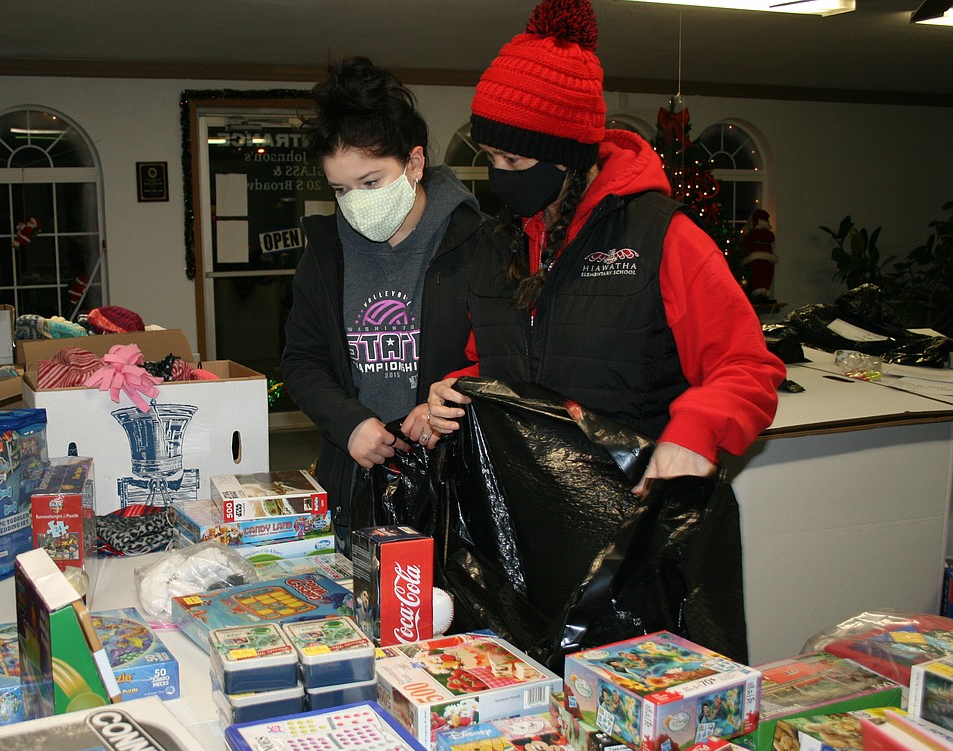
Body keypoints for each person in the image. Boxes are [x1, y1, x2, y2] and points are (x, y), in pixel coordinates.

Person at [426, 0, 785, 496]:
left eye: (514, 158)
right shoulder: (499, 242)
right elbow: (496, 358)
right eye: (491, 158)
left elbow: (747, 367)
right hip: (523, 506)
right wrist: (457, 387)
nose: (499, 174)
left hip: (627, 509)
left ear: (568, 158)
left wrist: (696, 434)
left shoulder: (663, 238)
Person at [281, 56, 504, 550]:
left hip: (458, 484)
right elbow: (302, 361)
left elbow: (508, 357)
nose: (355, 201)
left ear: (415, 163)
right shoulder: (325, 256)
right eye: (340, 189)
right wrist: (349, 423)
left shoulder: (478, 244)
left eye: (371, 182)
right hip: (355, 477)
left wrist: (451, 396)